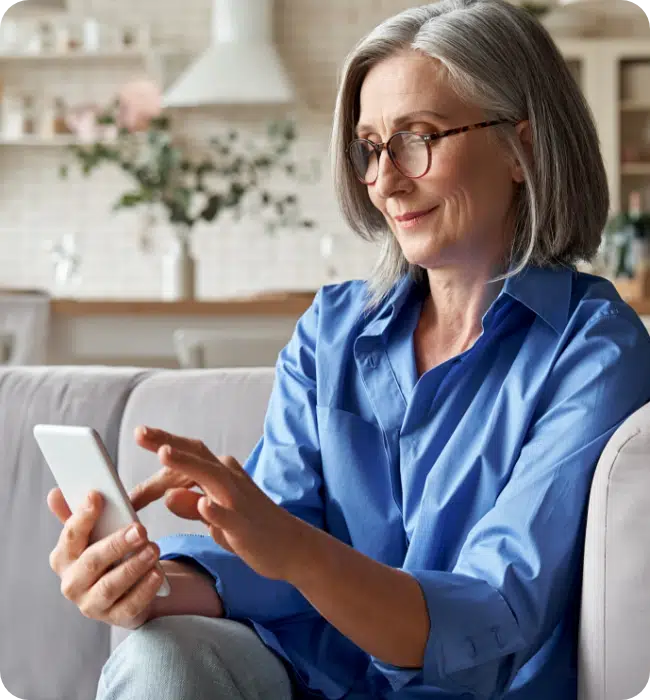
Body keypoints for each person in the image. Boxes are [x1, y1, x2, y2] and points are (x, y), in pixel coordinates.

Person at [46, 1, 650, 698]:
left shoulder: (595, 351)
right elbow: (270, 563)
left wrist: (291, 550)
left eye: (417, 137)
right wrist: (140, 583)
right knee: (159, 653)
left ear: (523, 149)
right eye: (369, 146)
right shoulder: (332, 330)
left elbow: (491, 618)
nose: (385, 180)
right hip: (308, 682)